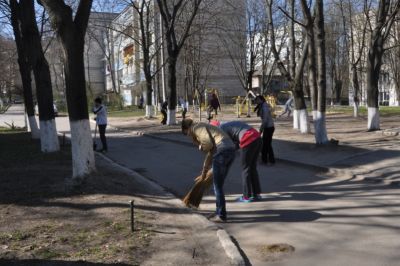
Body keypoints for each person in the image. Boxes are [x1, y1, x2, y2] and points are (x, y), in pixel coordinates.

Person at [182, 118, 235, 223]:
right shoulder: (202, 127)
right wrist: (204, 172)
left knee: (217, 186)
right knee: (218, 185)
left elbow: (208, 145)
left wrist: (201, 146)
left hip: (223, 151)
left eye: (186, 134)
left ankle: (221, 215)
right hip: (230, 150)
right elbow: (210, 154)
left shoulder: (197, 127)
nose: (189, 136)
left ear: (187, 128)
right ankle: (219, 212)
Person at [219, 121, 262, 202]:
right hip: (258, 138)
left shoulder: (221, 129)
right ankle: (257, 194)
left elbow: (228, 144)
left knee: (245, 169)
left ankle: (246, 197)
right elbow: (235, 142)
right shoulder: (229, 124)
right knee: (252, 168)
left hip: (248, 139)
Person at [254, 95, 275, 164]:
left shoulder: (264, 107)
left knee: (265, 145)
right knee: (267, 144)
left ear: (261, 100)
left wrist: (261, 130)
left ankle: (266, 160)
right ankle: (270, 160)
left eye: (257, 100)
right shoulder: (262, 106)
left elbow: (265, 120)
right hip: (268, 127)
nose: (256, 102)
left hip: (268, 127)